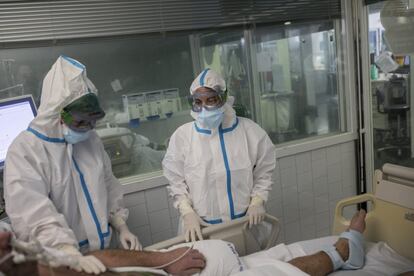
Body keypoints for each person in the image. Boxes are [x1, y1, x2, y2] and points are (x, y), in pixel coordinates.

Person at [3, 56, 140, 275]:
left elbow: (108, 184)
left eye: (91, 121)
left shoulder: (90, 139)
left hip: (104, 252)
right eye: (80, 122)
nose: (87, 128)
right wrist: (66, 250)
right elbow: (32, 213)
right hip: (60, 261)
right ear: (57, 113)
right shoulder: (26, 150)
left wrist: (120, 223)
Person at [2, 210, 412, 276]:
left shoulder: (35, 263)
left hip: (205, 262)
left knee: (274, 266)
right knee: (276, 268)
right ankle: (346, 246)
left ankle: (345, 249)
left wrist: (164, 258)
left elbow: (97, 258)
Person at [162, 68, 276, 242]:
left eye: (211, 100)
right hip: (202, 229)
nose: (204, 107)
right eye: (198, 102)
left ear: (223, 98)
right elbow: (175, 180)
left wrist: (257, 202)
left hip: (246, 224)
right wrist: (186, 211)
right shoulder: (183, 137)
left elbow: (264, 171)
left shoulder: (250, 131)